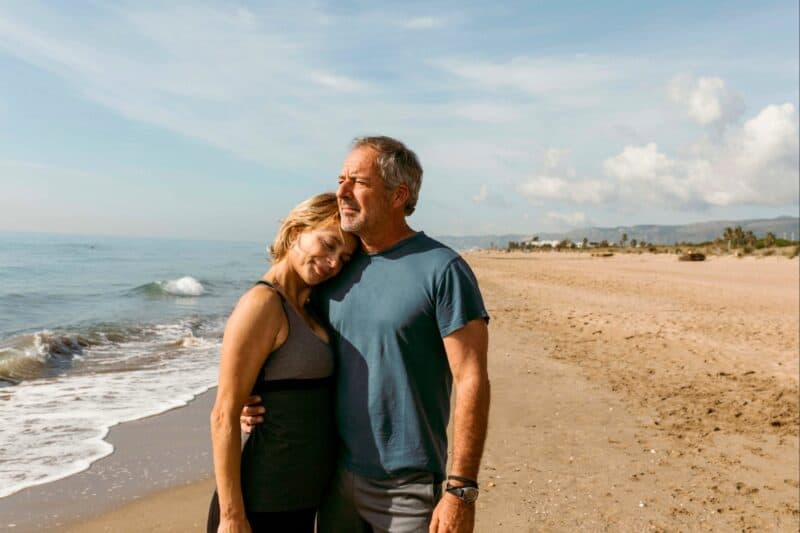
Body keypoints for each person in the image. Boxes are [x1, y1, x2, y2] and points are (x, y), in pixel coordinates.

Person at [242, 136, 491, 533]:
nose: (341, 191)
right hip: (334, 480)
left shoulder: (443, 270)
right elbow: (292, 347)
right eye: (340, 179)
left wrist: (461, 489)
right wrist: (252, 399)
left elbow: (472, 378)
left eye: (357, 182)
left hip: (409, 488)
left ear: (398, 195)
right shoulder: (334, 269)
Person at [209, 192, 358, 533]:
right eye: (328, 243)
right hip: (260, 504)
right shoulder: (262, 304)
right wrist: (232, 517)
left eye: (344, 257)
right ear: (295, 232)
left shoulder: (311, 304)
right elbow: (223, 415)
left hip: (300, 503)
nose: (334, 262)